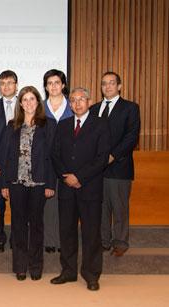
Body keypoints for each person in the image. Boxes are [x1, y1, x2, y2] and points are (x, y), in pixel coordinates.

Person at [50, 87, 110, 291]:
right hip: (67, 188)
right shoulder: (64, 125)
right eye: (73, 100)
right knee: (66, 232)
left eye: (81, 99)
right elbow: (55, 155)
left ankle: (91, 275)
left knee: (91, 233)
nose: (77, 103)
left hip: (90, 188)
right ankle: (68, 272)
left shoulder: (101, 124)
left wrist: (79, 177)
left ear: (89, 101)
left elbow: (102, 158)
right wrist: (66, 177)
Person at [0, 86, 56, 281]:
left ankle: (36, 266)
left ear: (38, 102)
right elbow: (5, 156)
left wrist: (51, 184)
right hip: (16, 183)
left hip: (39, 183)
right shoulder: (11, 125)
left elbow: (52, 157)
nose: (29, 103)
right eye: (25, 100)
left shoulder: (48, 124)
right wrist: (5, 184)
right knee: (18, 225)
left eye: (33, 99)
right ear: (20, 103)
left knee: (37, 226)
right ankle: (20, 266)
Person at [90, 71, 140, 257]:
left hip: (119, 166)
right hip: (96, 169)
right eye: (104, 83)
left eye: (112, 83)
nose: (108, 86)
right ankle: (103, 241)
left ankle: (120, 242)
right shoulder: (94, 109)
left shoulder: (130, 108)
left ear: (119, 86)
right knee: (100, 207)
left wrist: (113, 155)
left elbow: (131, 137)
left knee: (119, 207)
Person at [42, 69, 73, 254]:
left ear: (63, 85)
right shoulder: (39, 108)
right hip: (45, 163)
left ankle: (63, 241)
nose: (53, 86)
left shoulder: (73, 106)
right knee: (48, 203)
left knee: (66, 203)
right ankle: (49, 240)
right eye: (49, 83)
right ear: (46, 86)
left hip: (69, 163)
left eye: (57, 82)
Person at [0, 70, 18, 253]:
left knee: (18, 206)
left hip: (19, 167)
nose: (6, 86)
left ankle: (16, 239)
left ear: (16, 85)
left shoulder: (25, 106)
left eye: (10, 83)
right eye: (2, 83)